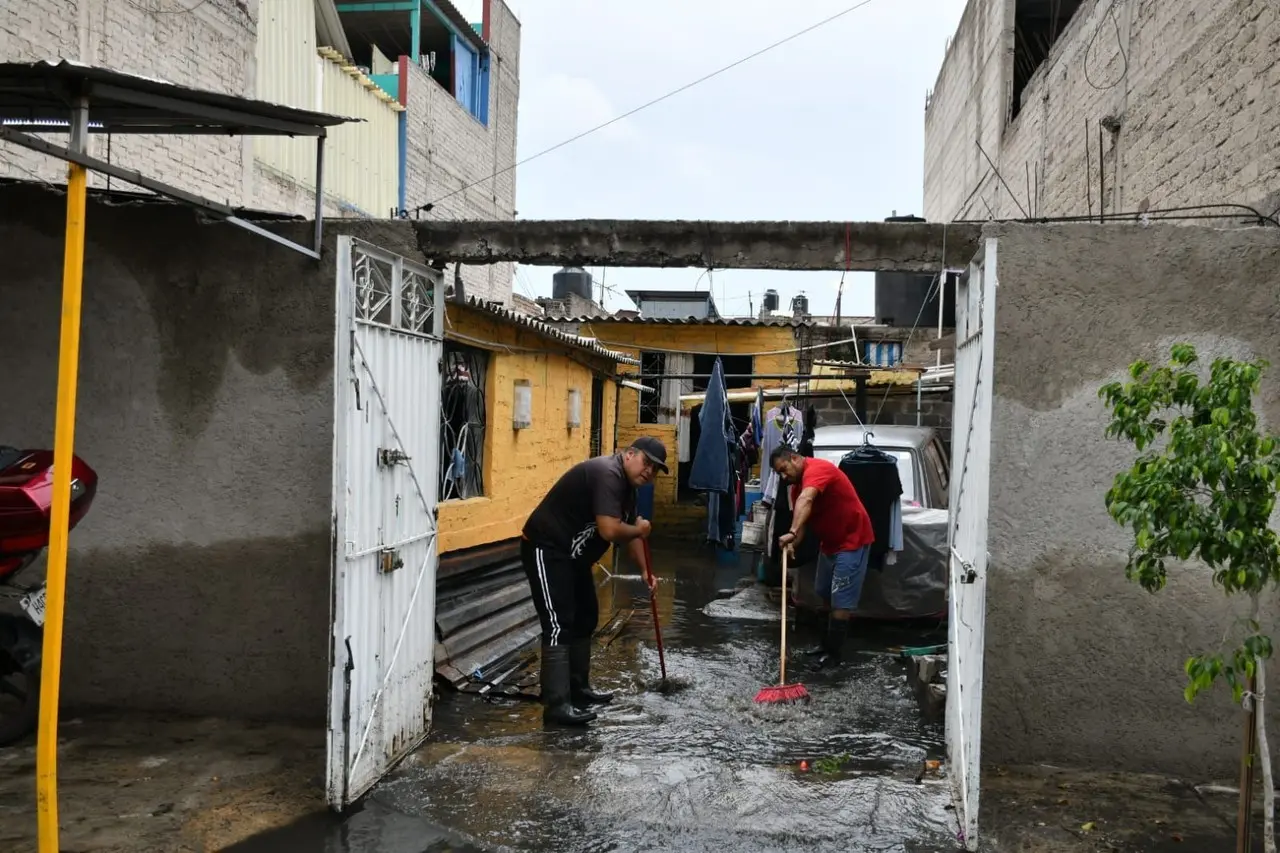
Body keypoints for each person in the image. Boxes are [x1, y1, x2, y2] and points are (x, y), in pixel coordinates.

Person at [521, 436, 669, 726]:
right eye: (646, 463)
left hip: (573, 558)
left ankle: (579, 690)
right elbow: (611, 531)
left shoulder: (629, 488)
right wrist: (639, 529)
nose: (649, 472)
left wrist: (644, 572)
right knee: (557, 624)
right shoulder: (607, 473)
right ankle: (557, 705)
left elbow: (631, 529)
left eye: (655, 470)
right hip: (546, 547)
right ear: (629, 454)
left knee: (586, 617)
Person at [769, 445, 874, 666]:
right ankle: (824, 645)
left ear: (795, 458)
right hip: (830, 543)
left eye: (784, 469)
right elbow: (802, 520)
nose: (783, 476)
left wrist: (791, 532)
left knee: (841, 599)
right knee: (823, 591)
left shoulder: (817, 470)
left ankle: (834, 655)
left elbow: (807, 500)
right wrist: (792, 543)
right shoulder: (797, 488)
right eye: (779, 473)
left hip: (852, 540)